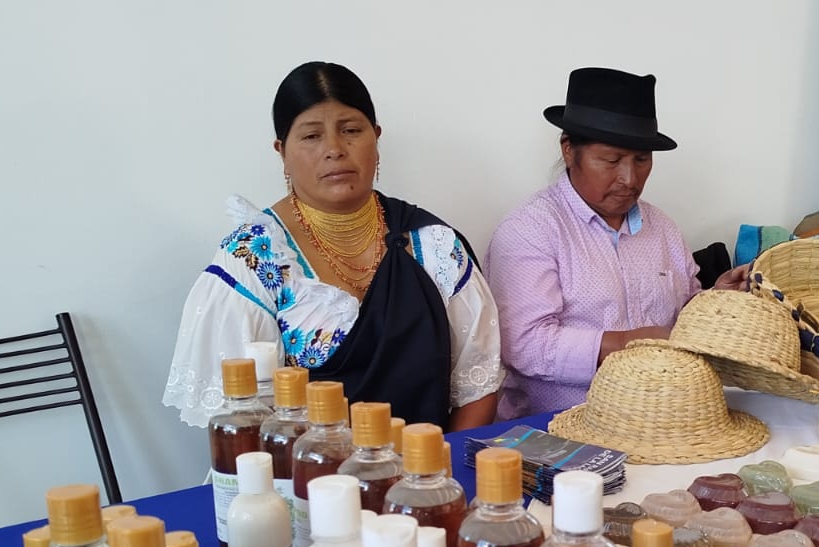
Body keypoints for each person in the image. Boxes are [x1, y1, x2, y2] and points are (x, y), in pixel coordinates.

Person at [166, 62, 502, 430]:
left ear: (376, 137)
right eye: (311, 136)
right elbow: (239, 421)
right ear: (282, 152)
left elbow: (478, 386)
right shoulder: (255, 259)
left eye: (351, 130)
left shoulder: (432, 245)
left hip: (428, 462)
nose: (334, 149)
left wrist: (438, 462)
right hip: (302, 464)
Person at [485, 66, 749, 419]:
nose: (629, 178)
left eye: (642, 160)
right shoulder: (529, 231)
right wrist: (627, 343)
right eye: (611, 160)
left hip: (662, 418)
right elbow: (524, 345)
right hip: (560, 426)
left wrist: (714, 300)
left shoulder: (662, 228)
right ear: (569, 150)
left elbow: (681, 319)